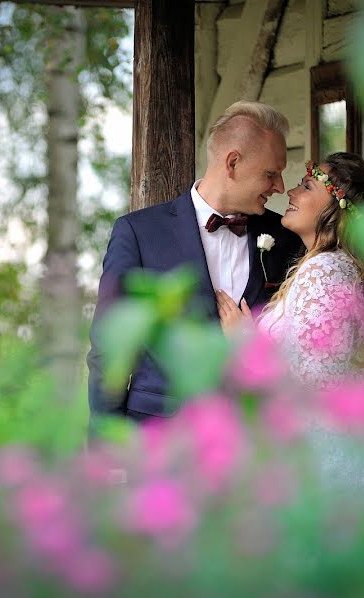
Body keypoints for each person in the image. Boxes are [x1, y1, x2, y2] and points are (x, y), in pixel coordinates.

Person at [87, 101, 304, 422]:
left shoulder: (284, 237)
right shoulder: (138, 232)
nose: (280, 187)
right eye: (271, 173)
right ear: (232, 163)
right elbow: (110, 351)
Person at [216, 152, 364, 387]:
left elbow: (311, 385)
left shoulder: (324, 272)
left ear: (336, 208)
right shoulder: (337, 265)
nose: (291, 192)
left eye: (307, 186)